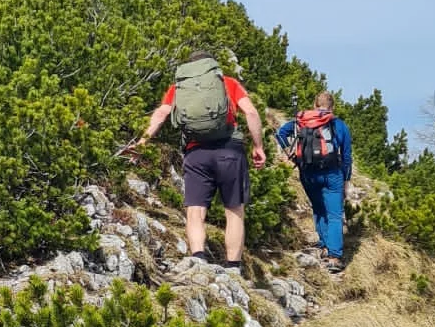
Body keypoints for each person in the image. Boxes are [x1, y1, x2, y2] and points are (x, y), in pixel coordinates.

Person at [135, 50, 266, 268]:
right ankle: (233, 266)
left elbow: (161, 115)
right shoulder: (228, 83)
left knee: (195, 210)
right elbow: (251, 113)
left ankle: (198, 258)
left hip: (196, 153)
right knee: (234, 210)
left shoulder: (179, 88)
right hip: (229, 151)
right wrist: (258, 146)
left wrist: (141, 143)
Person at [276, 90, 353, 272]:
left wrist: (291, 154)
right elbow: (347, 157)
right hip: (332, 173)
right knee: (334, 214)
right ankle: (334, 258)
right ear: (332, 107)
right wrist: (346, 180)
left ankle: (324, 246)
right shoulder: (338, 125)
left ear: (314, 105)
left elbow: (280, 134)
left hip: (308, 172)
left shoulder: (300, 122)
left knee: (318, 209)